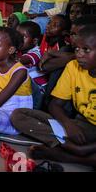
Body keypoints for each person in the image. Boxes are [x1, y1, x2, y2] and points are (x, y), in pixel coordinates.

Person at [10, 24, 96, 167]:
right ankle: (68, 146)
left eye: (86, 50)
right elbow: (55, 104)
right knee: (18, 115)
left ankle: (65, 154)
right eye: (76, 49)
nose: (79, 54)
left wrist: (83, 149)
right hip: (79, 126)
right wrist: (68, 125)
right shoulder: (73, 66)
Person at [16, 21, 47, 109]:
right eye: (17, 36)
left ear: (34, 41)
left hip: (37, 92)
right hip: (25, 91)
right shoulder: (19, 51)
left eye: (23, 37)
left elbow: (22, 60)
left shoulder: (36, 52)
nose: (19, 40)